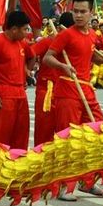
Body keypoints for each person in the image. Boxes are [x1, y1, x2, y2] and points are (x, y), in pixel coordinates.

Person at [42, 0, 103, 200]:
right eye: (75, 11)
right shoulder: (66, 35)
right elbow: (48, 58)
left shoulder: (93, 34)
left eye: (82, 12)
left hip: (86, 90)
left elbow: (91, 54)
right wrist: (62, 66)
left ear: (91, 12)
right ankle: (63, 187)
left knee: (95, 135)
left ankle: (87, 182)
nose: (78, 15)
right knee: (69, 140)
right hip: (68, 90)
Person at [0, 11, 35, 149]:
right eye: (24, 29)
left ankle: (17, 164)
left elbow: (32, 56)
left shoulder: (21, 43)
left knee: (21, 133)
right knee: (1, 135)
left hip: (20, 95)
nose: (26, 32)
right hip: (4, 94)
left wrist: (27, 71)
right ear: (14, 29)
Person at [32, 11, 74, 146]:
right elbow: (30, 53)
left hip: (66, 92)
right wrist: (27, 69)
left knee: (65, 132)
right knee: (44, 132)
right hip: (47, 92)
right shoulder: (48, 42)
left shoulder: (72, 44)